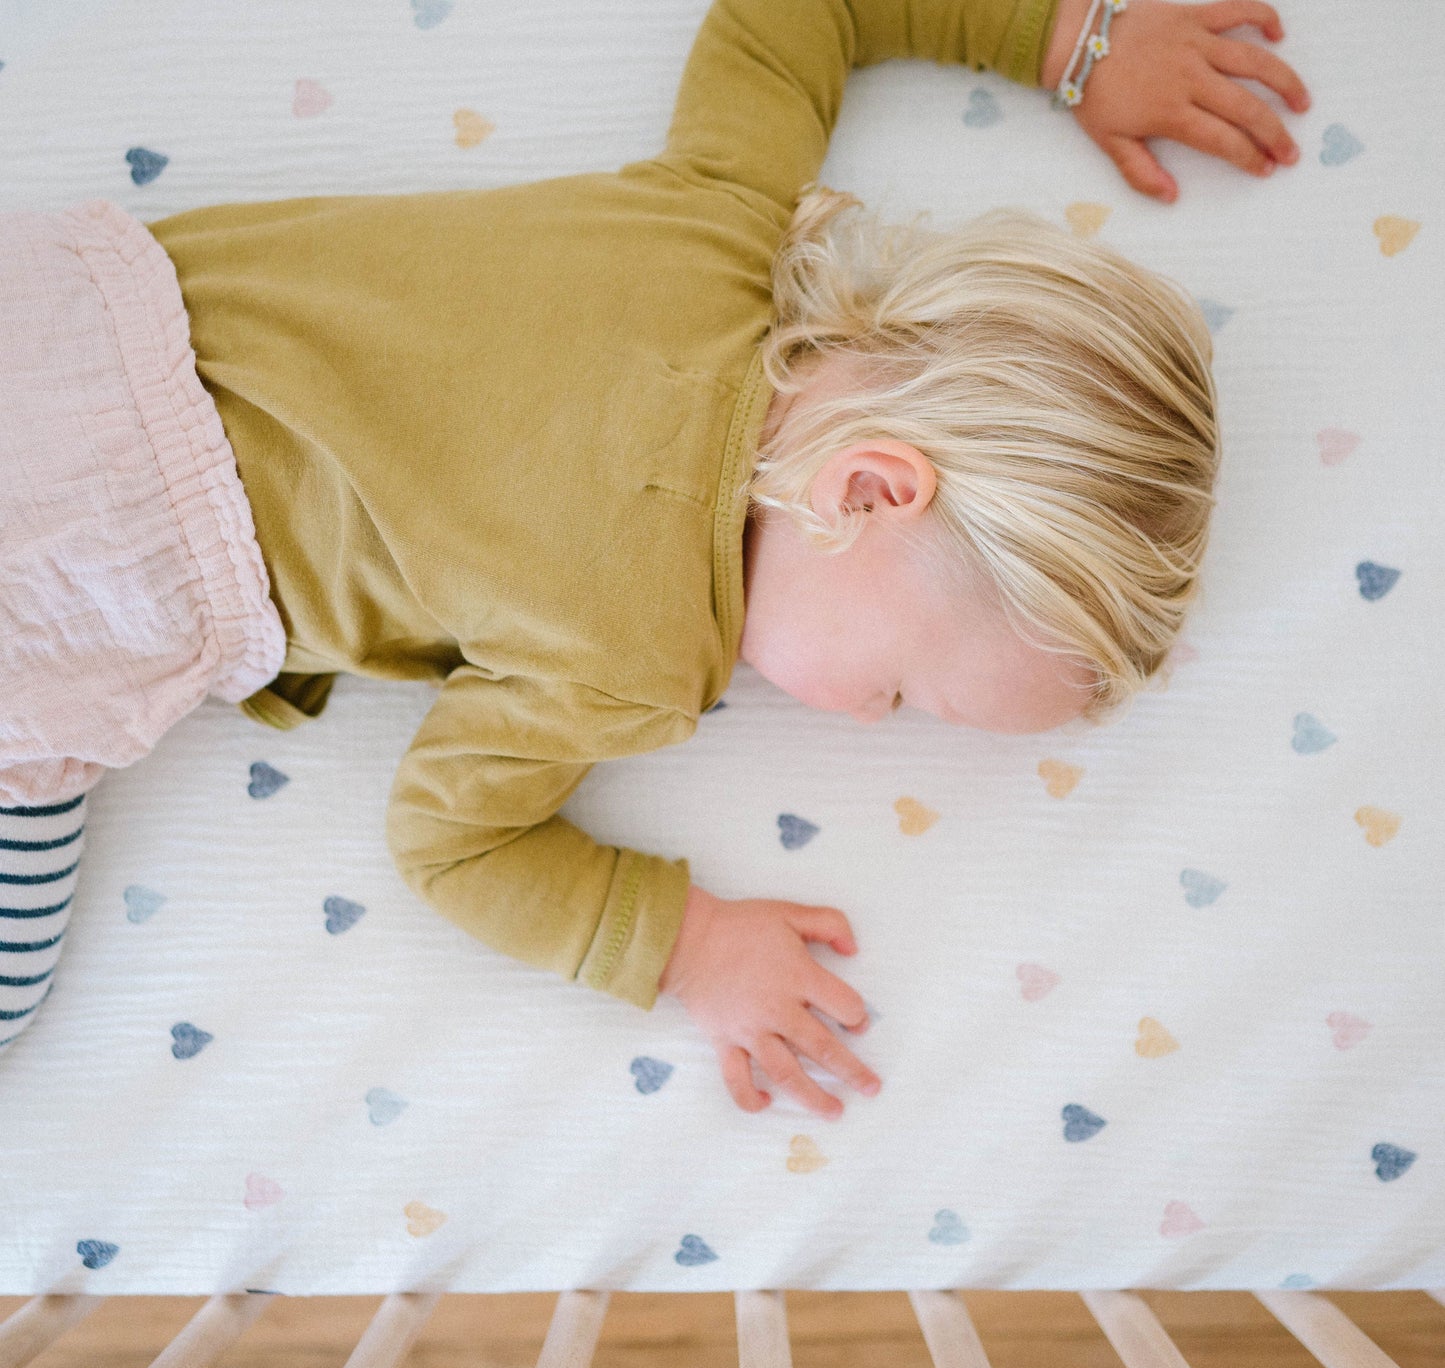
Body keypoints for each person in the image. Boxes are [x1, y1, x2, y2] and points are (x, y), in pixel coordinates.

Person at [0, 0, 1310, 1119]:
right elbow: (449, 843)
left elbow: (801, 14)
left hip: (65, 304)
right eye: (903, 690)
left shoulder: (722, 224)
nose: (866, 722)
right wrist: (688, 942)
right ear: (865, 493)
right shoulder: (634, 653)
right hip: (92, 582)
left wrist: (1070, 40)